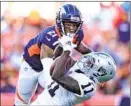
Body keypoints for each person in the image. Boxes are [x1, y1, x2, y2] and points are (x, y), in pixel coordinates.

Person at [14, 4, 93, 106]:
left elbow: (83, 49)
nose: (72, 28)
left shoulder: (77, 34)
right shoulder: (49, 37)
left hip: (53, 67)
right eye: (68, 24)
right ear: (59, 22)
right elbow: (48, 73)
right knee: (21, 102)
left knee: (60, 92)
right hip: (32, 66)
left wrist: (97, 64)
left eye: (74, 24)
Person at [31, 37, 116, 106]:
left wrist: (67, 50)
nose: (87, 62)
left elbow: (57, 76)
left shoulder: (89, 87)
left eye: (92, 63)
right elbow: (58, 58)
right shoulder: (81, 69)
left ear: (98, 72)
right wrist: (68, 38)